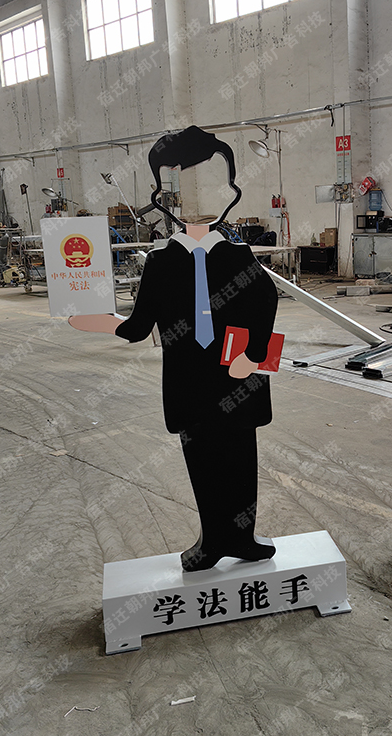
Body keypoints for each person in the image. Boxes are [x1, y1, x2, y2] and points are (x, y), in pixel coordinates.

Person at [69, 127, 278, 572]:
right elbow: (139, 326)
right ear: (161, 197)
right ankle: (213, 538)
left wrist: (253, 353)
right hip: (190, 382)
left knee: (242, 459)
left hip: (239, 377)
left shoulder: (239, 256)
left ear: (233, 191)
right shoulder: (161, 263)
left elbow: (266, 303)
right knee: (201, 461)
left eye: (218, 182)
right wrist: (102, 322)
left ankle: (243, 537)